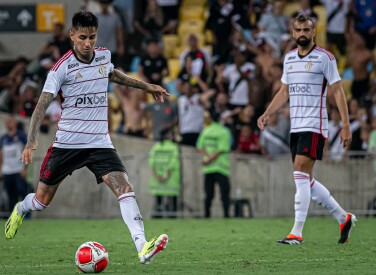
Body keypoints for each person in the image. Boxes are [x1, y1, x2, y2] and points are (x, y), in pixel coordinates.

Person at [4, 11, 169, 265]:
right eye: (82, 37)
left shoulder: (104, 56)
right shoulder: (61, 68)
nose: (87, 43)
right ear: (72, 35)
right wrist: (30, 141)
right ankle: (20, 208)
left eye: (92, 37)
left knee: (125, 188)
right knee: (40, 202)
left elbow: (113, 76)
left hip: (99, 143)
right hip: (67, 145)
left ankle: (142, 247)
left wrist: (146, 87)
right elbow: (41, 106)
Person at [257, 14, 356, 245]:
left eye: (306, 30)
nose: (302, 34)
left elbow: (338, 91)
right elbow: (284, 92)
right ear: (293, 33)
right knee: (305, 179)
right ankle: (343, 217)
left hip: (315, 124)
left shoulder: (325, 58)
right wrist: (267, 113)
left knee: (299, 172)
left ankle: (296, 233)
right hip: (296, 126)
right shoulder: (289, 58)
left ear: (314, 32)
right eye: (298, 30)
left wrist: (345, 125)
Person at [196, 112, 232, 218]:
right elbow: (221, 149)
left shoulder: (206, 131)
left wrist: (207, 158)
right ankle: (226, 215)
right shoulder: (224, 131)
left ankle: (207, 216)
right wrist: (211, 158)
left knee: (208, 194)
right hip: (221, 167)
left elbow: (199, 147)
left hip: (208, 168)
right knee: (224, 193)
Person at [148, 129, 180, 218]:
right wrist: (166, 176)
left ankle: (158, 215)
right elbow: (174, 163)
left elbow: (152, 163)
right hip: (171, 178)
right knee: (172, 201)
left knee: (159, 200)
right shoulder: (174, 147)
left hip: (157, 178)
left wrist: (158, 176)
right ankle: (172, 216)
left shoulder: (156, 147)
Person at [0, 116, 28, 215]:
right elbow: (1, 155)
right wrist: (1, 169)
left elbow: (26, 151)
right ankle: (13, 216)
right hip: (7, 171)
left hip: (18, 170)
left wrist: (24, 168)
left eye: (11, 121)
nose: (9, 123)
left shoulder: (21, 136)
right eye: (7, 121)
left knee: (22, 192)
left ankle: (27, 216)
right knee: (10, 195)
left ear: (15, 122)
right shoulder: (3, 138)